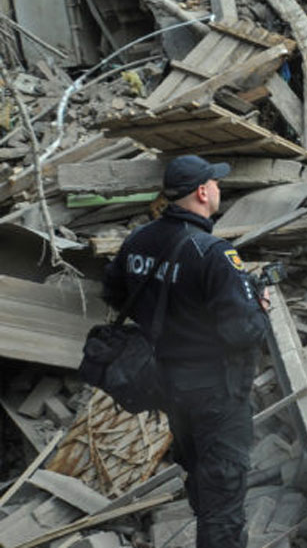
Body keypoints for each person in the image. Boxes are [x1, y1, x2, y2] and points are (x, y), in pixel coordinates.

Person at [101, 155, 272, 548]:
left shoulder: (138, 241)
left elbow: (112, 293)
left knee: (202, 482)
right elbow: (243, 332)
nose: (217, 189)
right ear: (201, 192)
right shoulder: (214, 253)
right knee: (223, 502)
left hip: (170, 388)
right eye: (214, 183)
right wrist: (258, 308)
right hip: (216, 394)